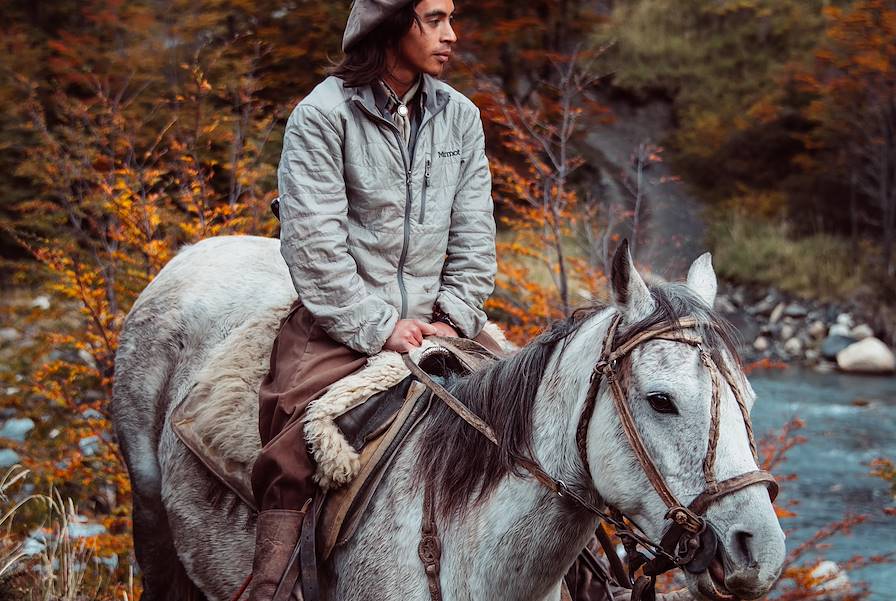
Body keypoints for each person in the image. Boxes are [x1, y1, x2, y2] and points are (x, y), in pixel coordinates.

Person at [247, 0, 498, 599]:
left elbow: (475, 236)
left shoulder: (459, 117)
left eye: (451, 19)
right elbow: (313, 245)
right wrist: (381, 326)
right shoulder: (323, 115)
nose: (451, 35)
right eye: (434, 19)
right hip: (339, 326)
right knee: (295, 448)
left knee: (543, 415)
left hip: (443, 325)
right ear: (392, 23)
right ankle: (271, 585)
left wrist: (452, 317)